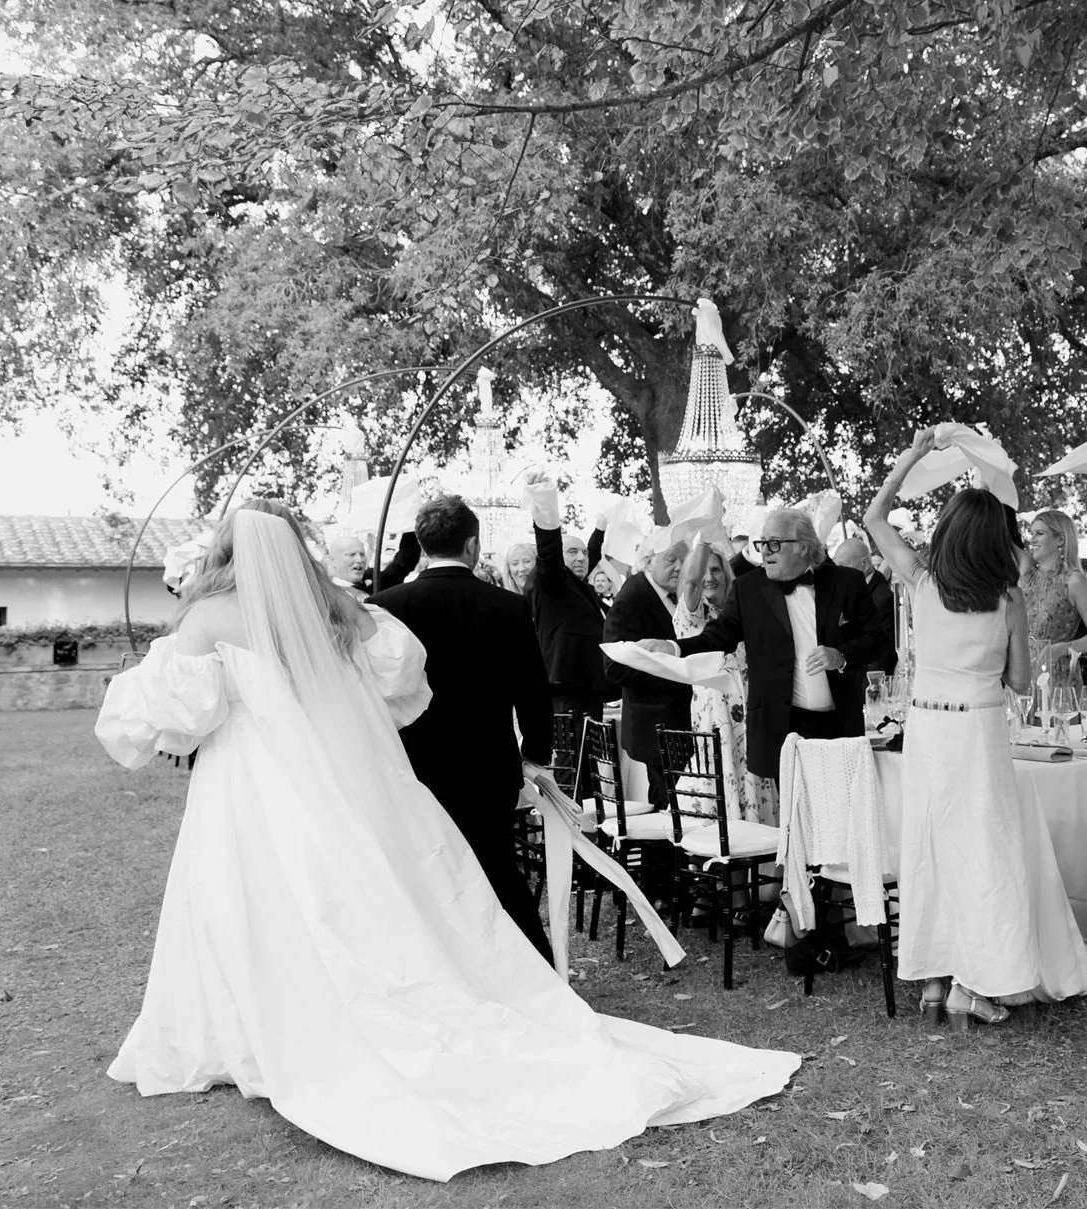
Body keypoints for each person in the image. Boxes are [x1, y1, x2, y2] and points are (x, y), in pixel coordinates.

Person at [95, 500, 798, 1180]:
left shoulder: (212, 614)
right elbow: (402, 675)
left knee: (255, 895)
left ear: (226, 548)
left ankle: (256, 1029)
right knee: (352, 897)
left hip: (251, 781)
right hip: (338, 780)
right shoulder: (333, 606)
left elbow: (175, 719)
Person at [865, 430, 1087, 1028]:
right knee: (984, 852)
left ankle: (933, 980)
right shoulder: (1008, 598)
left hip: (927, 730)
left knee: (931, 848)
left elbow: (874, 517)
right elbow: (1019, 681)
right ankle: (973, 983)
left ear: (946, 533)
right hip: (979, 730)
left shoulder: (922, 582)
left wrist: (912, 456)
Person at [369, 494, 556, 959]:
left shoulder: (386, 606)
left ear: (423, 545)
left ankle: (442, 963)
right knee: (497, 868)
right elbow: (533, 692)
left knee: (427, 871)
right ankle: (534, 962)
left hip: (413, 767)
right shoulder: (508, 607)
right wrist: (536, 754)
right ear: (472, 545)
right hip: (487, 766)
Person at [652, 508, 891, 787]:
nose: (765, 551)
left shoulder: (846, 582)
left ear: (803, 547)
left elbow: (879, 640)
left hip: (839, 724)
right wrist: (674, 647)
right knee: (790, 810)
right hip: (781, 727)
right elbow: (718, 636)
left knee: (841, 805)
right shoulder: (749, 589)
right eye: (762, 543)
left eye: (774, 543)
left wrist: (841, 656)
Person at [675, 540, 766, 825]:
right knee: (721, 773)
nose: (709, 577)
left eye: (716, 570)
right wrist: (704, 542)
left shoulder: (739, 612)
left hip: (750, 713)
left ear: (726, 575)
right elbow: (692, 581)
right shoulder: (691, 613)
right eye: (704, 570)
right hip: (716, 714)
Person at [602, 539, 692, 803]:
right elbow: (614, 666)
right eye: (671, 559)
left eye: (683, 560)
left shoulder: (674, 593)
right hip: (657, 724)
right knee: (671, 801)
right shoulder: (633, 597)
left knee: (675, 799)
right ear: (648, 561)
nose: (679, 567)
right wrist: (677, 673)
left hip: (675, 725)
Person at [520, 474, 613, 722]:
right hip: (564, 687)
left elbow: (592, 553)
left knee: (588, 749)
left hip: (589, 685)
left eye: (583, 553)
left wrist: (600, 527)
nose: (581, 558)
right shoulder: (550, 581)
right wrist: (545, 503)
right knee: (569, 748)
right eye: (572, 552)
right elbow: (549, 552)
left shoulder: (579, 584)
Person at [1021, 509, 1087, 683]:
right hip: (1022, 677)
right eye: (1032, 533)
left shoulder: (1074, 581)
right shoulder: (1026, 576)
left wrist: (1063, 648)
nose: (1032, 539)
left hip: (1058, 678)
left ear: (1060, 539)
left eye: (1039, 533)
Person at [832, 534, 900, 677]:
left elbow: (881, 655)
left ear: (865, 563)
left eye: (843, 566)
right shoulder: (851, 591)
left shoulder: (882, 598)